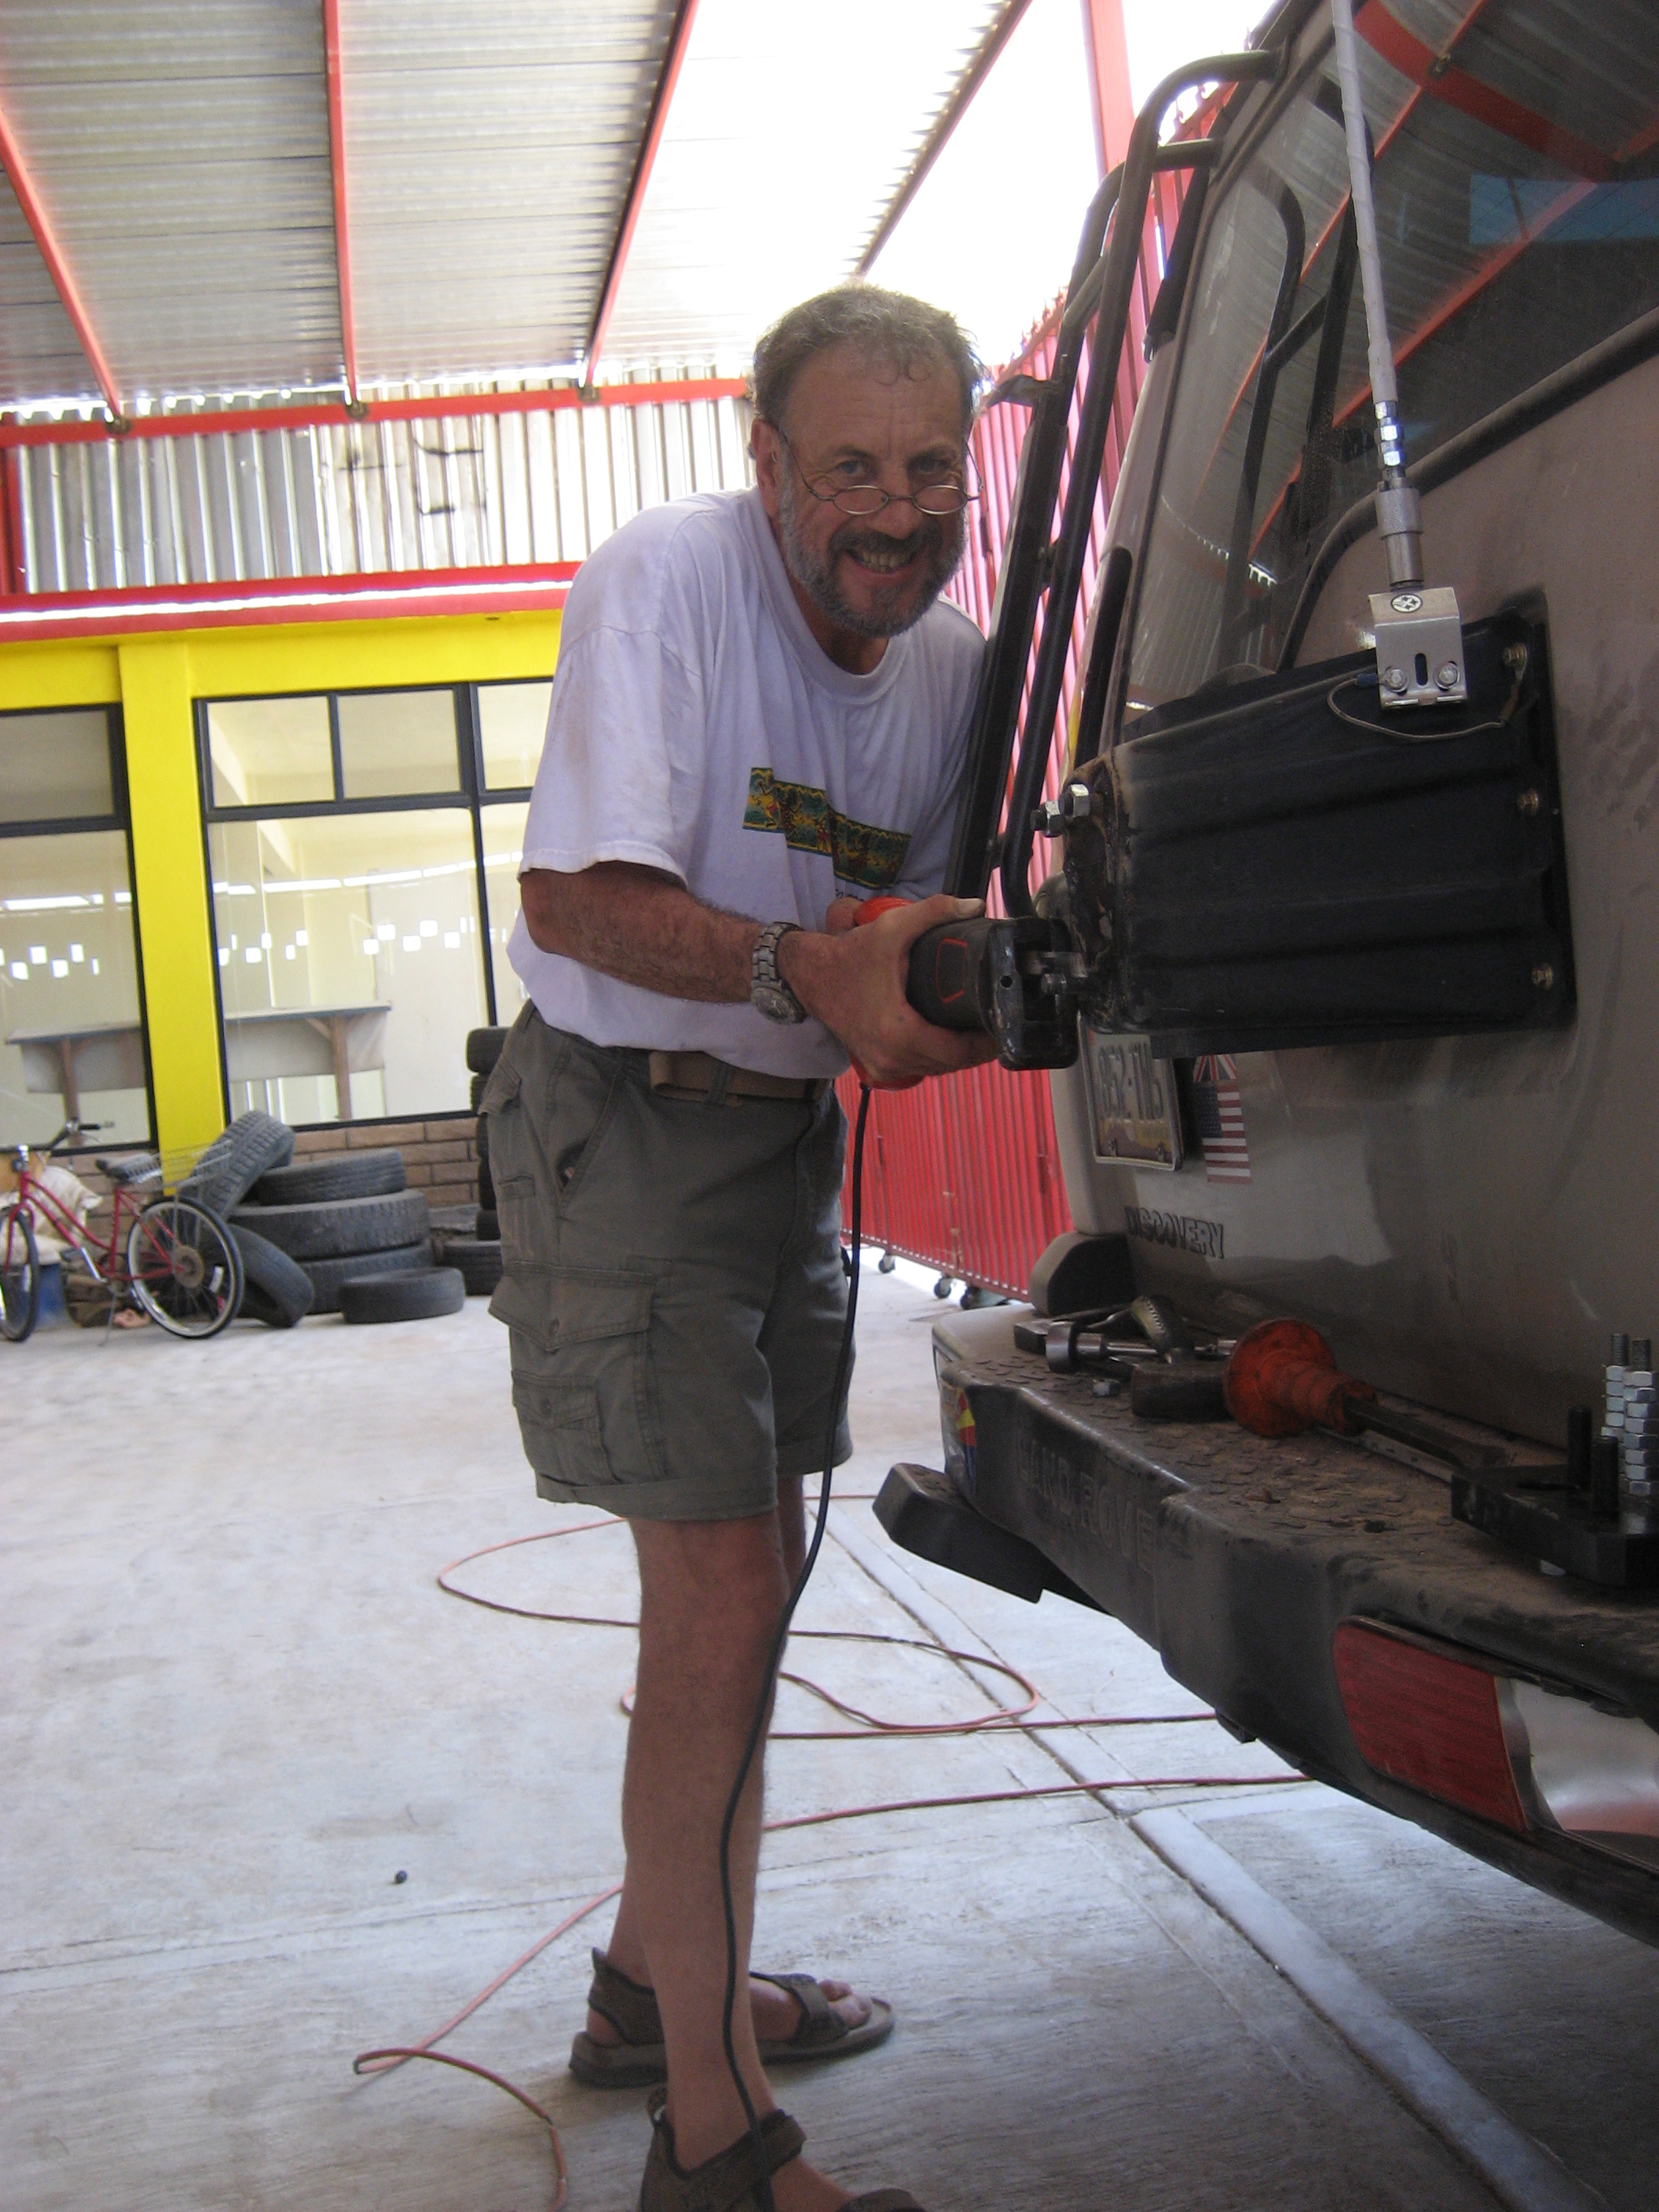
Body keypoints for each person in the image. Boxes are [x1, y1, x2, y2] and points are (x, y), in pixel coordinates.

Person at [485, 282, 994, 2212]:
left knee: (749, 1590)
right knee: (716, 1598)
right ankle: (712, 2143)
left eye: (930, 467)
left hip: (778, 1138)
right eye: (850, 467)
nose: (896, 511)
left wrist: (933, 988)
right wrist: (807, 968)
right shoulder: (668, 583)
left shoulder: (949, 669)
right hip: (622, 1119)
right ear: (766, 459)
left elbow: (913, 941)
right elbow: (574, 897)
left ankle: (650, 1995)